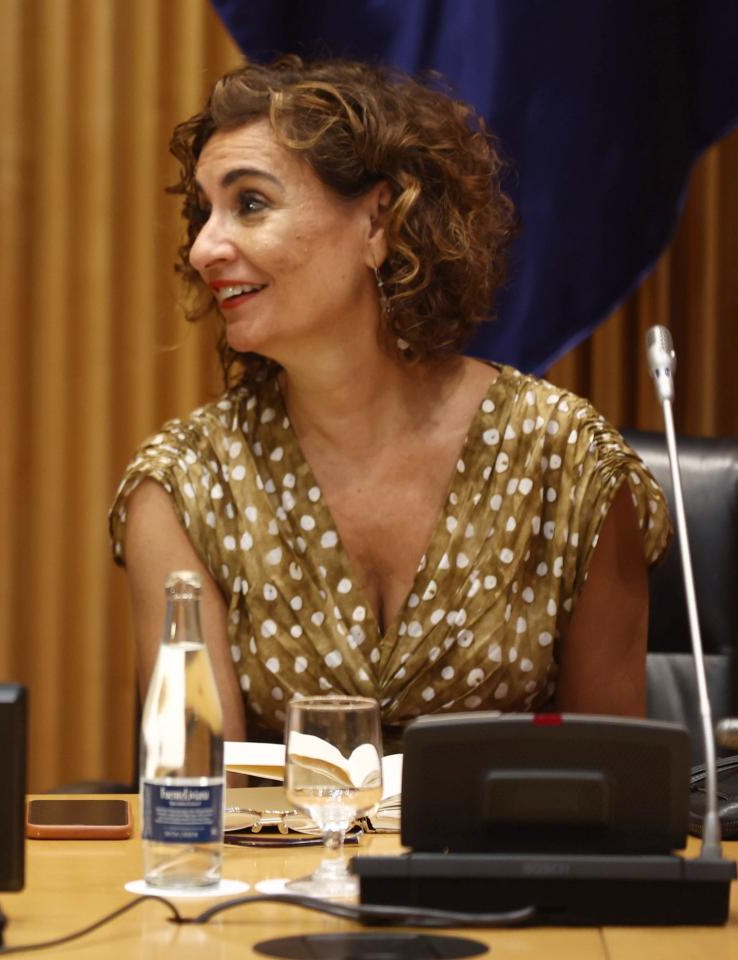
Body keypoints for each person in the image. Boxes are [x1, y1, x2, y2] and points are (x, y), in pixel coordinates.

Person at [109, 57, 667, 743]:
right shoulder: (185, 485)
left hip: (499, 854)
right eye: (203, 213)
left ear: (378, 221)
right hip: (276, 853)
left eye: (249, 203)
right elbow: (195, 797)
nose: (202, 249)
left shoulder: (567, 464)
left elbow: (611, 790)